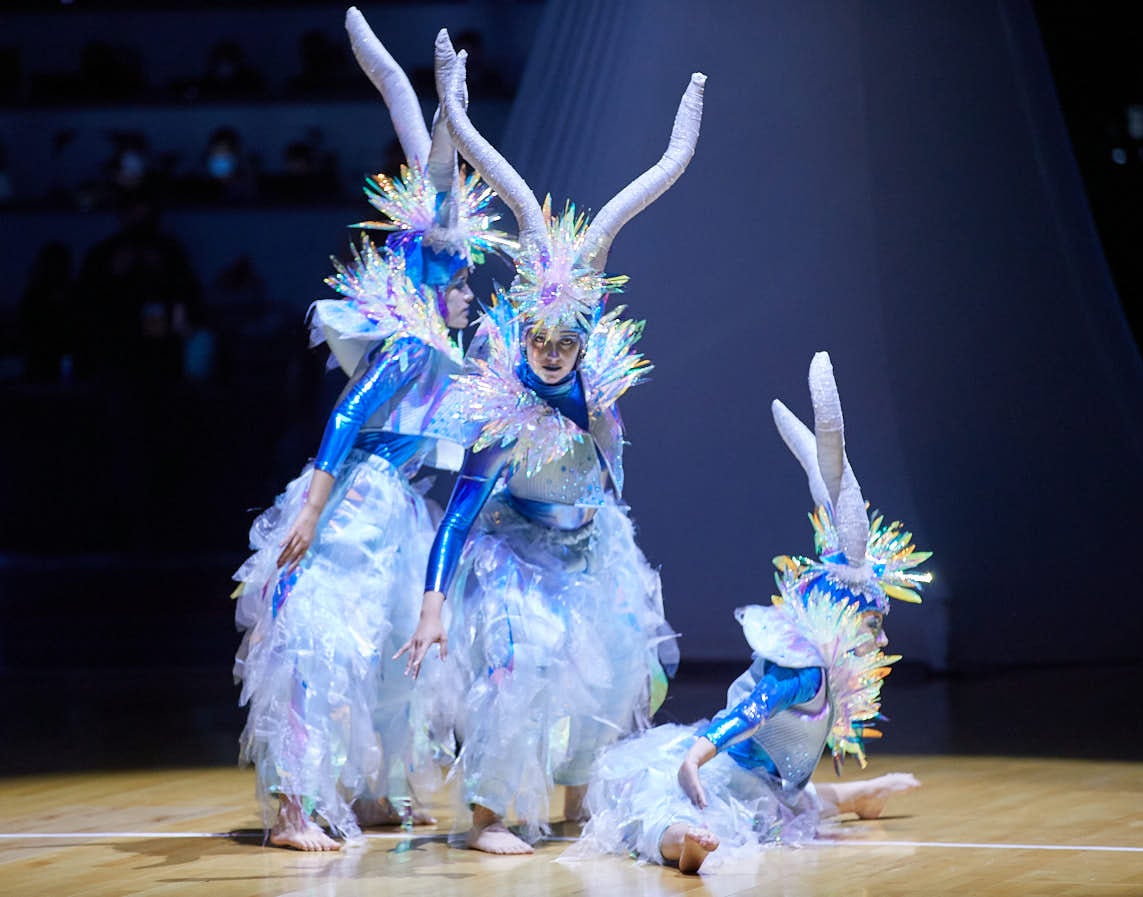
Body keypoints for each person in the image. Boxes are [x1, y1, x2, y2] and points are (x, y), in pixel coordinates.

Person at [397, 36, 705, 854]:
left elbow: (601, 467)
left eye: (565, 336)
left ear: (584, 333)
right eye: (537, 334)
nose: (551, 348)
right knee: (518, 663)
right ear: (520, 329)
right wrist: (432, 610)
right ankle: (492, 815)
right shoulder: (504, 414)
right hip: (516, 553)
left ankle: (575, 796)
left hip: (589, 548)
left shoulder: (598, 395)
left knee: (607, 665)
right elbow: (461, 514)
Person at [231, 9, 512, 852]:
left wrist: (449, 109)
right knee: (320, 646)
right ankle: (290, 804)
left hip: (396, 513)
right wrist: (312, 512)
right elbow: (348, 417)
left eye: (469, 278)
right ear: (432, 284)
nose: (469, 292)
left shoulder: (452, 360)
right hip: (354, 507)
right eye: (457, 278)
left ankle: (378, 788)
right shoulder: (413, 344)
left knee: (395, 657)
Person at [564, 352, 929, 873]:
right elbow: (749, 712)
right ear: (841, 615)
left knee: (778, 807)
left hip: (759, 782)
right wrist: (695, 757)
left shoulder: (823, 669)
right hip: (717, 769)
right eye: (872, 624)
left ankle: (858, 796)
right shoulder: (801, 670)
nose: (881, 639)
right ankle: (681, 840)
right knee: (663, 809)